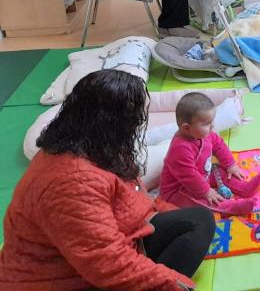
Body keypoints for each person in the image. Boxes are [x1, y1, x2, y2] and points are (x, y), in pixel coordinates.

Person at [0, 69, 214, 290]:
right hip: (68, 276)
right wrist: (178, 285)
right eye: (133, 123)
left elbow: (136, 200)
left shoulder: (95, 146)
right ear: (113, 124)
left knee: (199, 220)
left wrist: (172, 213)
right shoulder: (71, 182)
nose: (135, 130)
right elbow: (106, 263)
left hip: (120, 240)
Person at [159, 92, 260, 215]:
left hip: (203, 174)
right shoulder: (180, 148)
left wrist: (230, 165)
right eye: (207, 124)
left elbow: (219, 145)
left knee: (222, 172)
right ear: (187, 128)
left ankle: (244, 188)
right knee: (201, 201)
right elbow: (189, 176)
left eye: (211, 121)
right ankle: (231, 207)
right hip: (180, 189)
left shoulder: (205, 134)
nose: (212, 126)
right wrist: (206, 191)